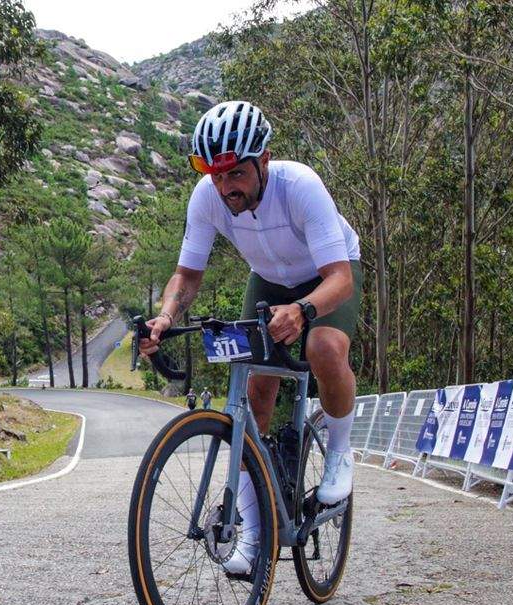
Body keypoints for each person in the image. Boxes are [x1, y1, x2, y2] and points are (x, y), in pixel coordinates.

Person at [138, 101, 361, 575]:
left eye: (235, 174)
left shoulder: (300, 187)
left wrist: (303, 311)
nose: (225, 188)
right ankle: (255, 536)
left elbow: (340, 277)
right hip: (268, 280)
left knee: (323, 347)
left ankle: (340, 452)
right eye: (215, 176)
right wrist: (165, 316)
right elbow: (187, 275)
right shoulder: (207, 197)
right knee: (253, 393)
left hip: (327, 274)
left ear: (264, 160)